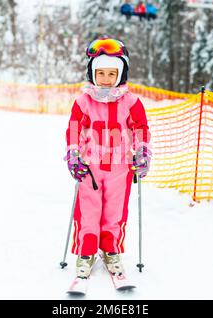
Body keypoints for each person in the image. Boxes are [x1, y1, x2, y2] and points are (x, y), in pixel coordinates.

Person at [64, 37, 151, 280]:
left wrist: (142, 152)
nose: (105, 78)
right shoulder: (83, 102)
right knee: (88, 212)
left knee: (115, 212)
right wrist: (73, 154)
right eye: (100, 73)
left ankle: (111, 249)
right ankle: (86, 252)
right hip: (90, 169)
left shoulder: (131, 102)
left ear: (120, 75)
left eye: (111, 73)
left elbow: (140, 128)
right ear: (92, 73)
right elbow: (74, 129)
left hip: (120, 169)